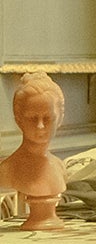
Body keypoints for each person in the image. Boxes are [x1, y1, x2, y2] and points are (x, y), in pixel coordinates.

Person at [0, 73, 67, 230]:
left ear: (60, 118)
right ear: (18, 119)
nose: (40, 127)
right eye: (32, 118)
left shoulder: (59, 166)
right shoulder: (9, 170)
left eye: (47, 118)